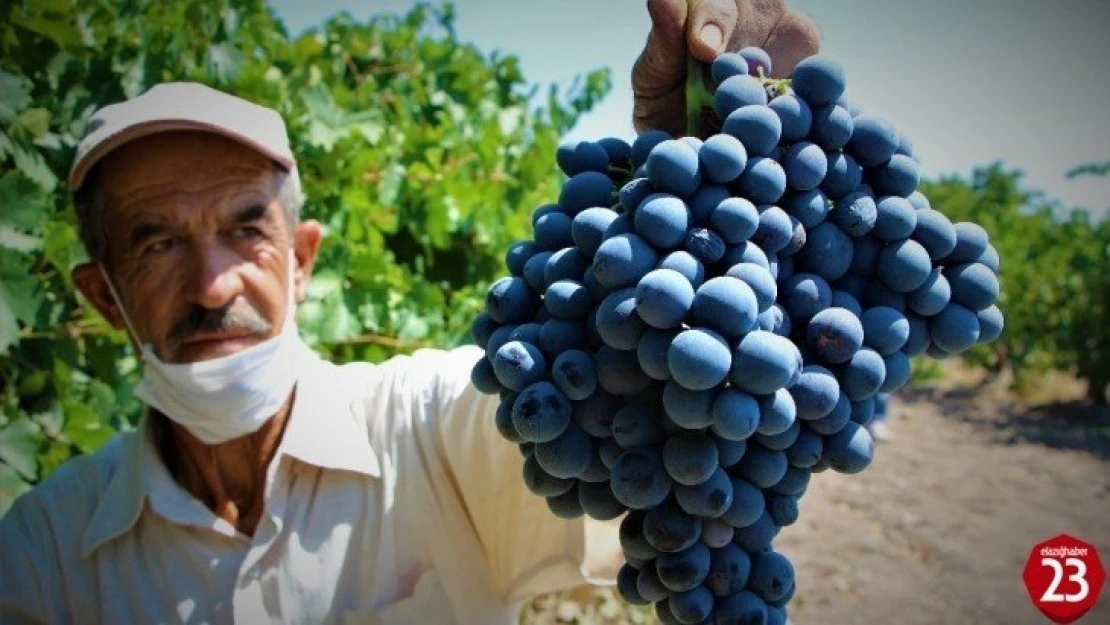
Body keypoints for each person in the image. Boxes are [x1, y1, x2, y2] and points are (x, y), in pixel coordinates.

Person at [0, 1, 819, 623]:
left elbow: (642, 412)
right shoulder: (41, 554)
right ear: (102, 296)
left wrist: (707, 181)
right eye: (155, 244)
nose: (213, 285)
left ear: (303, 257)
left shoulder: (430, 428)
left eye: (246, 230)